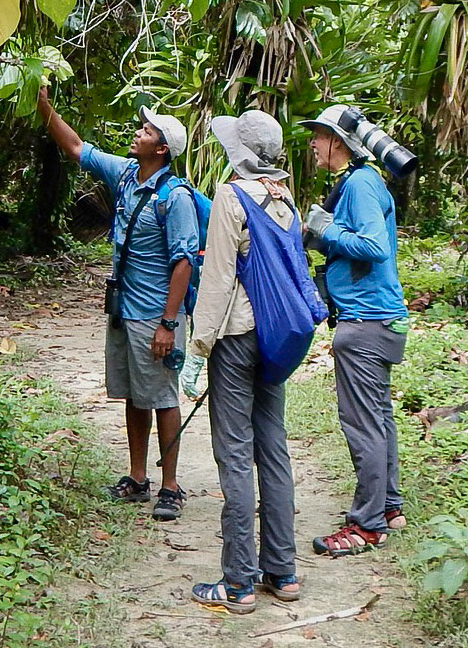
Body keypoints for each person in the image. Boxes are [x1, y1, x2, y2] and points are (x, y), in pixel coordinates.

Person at [36, 87, 198, 521]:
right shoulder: (127, 174)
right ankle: (137, 476)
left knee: (162, 395)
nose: (138, 133)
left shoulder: (175, 197)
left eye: (146, 131)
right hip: (124, 308)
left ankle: (170, 486)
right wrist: (44, 107)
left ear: (162, 149)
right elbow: (75, 148)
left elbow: (183, 261)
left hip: (155, 313)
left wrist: (168, 323)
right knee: (133, 393)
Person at [187, 110, 300, 614]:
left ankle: (238, 583)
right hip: (276, 339)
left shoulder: (232, 197)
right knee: (272, 449)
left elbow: (216, 281)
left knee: (234, 454)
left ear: (240, 154)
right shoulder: (286, 200)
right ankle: (283, 571)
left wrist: (197, 350)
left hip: (234, 340)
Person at [298, 104, 410, 556]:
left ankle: (366, 526)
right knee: (379, 418)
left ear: (339, 144)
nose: (312, 143)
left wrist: (326, 230)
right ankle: (389, 507)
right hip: (377, 319)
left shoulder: (361, 183)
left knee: (362, 424)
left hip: (365, 322)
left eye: (319, 136)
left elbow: (372, 247)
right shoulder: (359, 182)